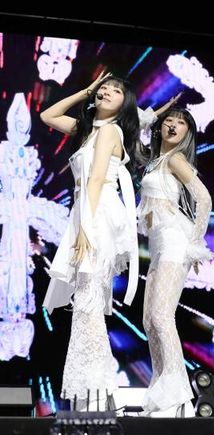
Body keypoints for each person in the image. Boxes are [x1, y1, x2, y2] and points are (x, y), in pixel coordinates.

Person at [41, 71, 140, 409]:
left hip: (96, 213)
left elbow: (96, 179)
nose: (107, 91)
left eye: (115, 91)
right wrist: (86, 91)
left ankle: (97, 395)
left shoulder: (111, 130)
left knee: (88, 302)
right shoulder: (89, 131)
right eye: (104, 88)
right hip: (85, 210)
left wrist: (86, 226)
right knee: (86, 305)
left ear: (125, 104)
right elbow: (48, 116)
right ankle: (95, 394)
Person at [135, 106, 213, 417]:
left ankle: (178, 395)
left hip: (174, 241)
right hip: (158, 245)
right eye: (169, 120)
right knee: (149, 320)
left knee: (161, 316)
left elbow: (204, 198)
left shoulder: (176, 159)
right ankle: (162, 392)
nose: (173, 125)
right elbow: (135, 130)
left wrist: (195, 243)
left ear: (187, 133)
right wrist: (150, 118)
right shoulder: (156, 159)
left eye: (181, 123)